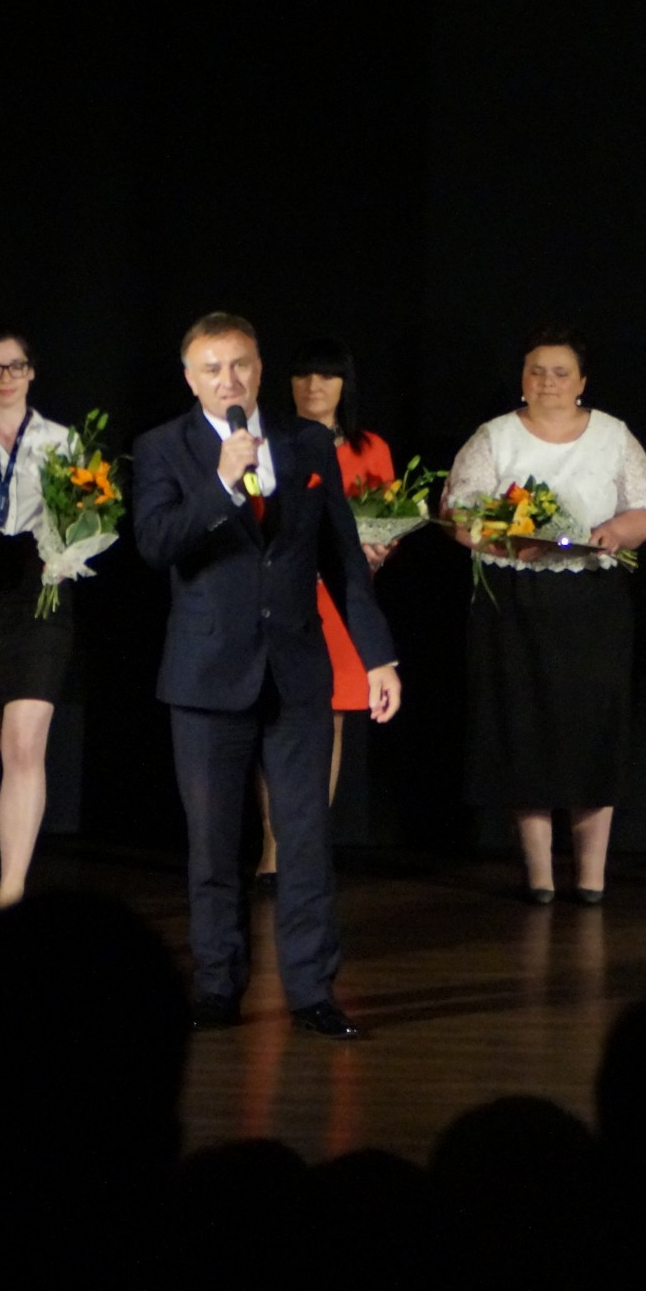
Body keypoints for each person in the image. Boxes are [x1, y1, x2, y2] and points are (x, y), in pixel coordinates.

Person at [130, 312, 400, 1039]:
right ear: (190, 379)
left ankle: (312, 989)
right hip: (206, 675)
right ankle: (217, 985)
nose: (229, 380)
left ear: (259, 368)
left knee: (306, 838)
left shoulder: (306, 440)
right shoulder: (162, 447)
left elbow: (341, 558)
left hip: (297, 670)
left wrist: (377, 655)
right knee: (215, 844)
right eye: (212, 369)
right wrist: (221, 485)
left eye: (240, 365)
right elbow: (155, 543)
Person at [443, 325, 646, 904]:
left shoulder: (614, 435)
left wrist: (616, 530)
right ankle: (539, 875)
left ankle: (591, 876)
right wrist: (505, 540)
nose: (548, 382)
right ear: (522, 378)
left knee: (592, 732)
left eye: (561, 373)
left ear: (582, 381)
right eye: (537, 371)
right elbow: (458, 513)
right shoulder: (494, 437)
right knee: (524, 728)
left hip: (593, 602)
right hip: (514, 602)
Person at [252, 336, 402, 896]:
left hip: (340, 604)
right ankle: (273, 847)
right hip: (283, 594)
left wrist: (378, 549)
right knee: (274, 717)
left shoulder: (370, 448)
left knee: (328, 720)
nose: (314, 386)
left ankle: (305, 844)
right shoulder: (269, 441)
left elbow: (387, 518)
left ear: (345, 385)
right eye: (303, 375)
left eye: (327, 376)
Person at [0, 328, 78, 915]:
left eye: (16, 366)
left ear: (31, 372)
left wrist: (71, 551)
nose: (6, 378)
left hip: (40, 596)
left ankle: (12, 891)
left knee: (25, 746)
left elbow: (92, 515)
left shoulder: (63, 441)